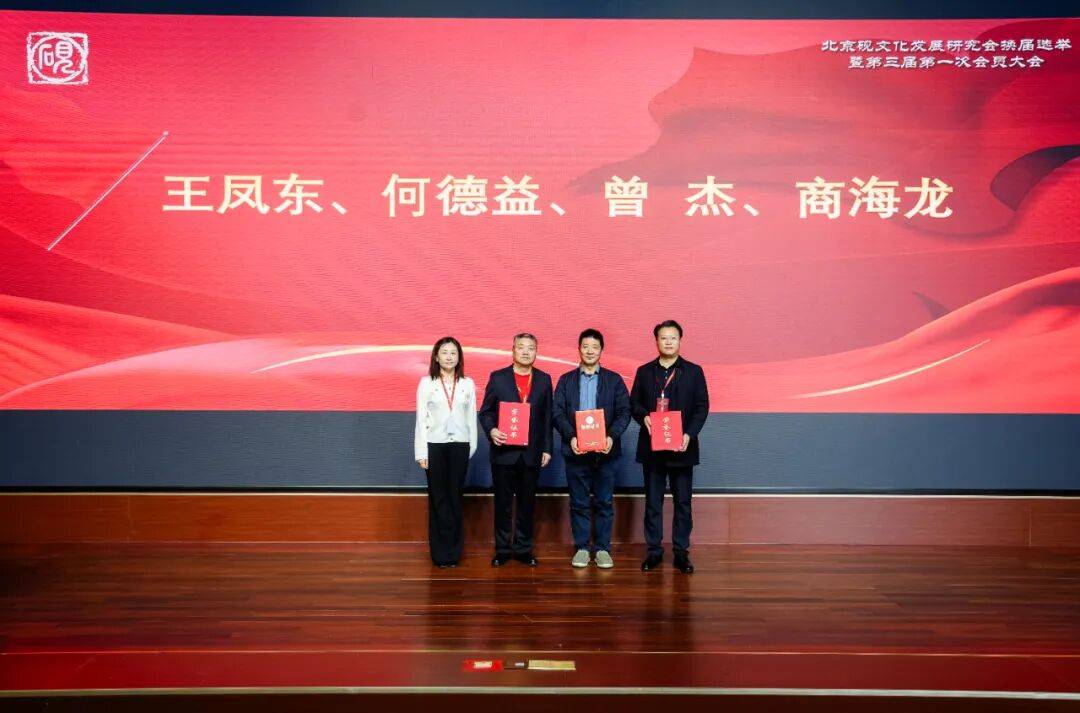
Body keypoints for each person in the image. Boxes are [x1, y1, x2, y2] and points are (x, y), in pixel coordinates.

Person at [629, 320, 709, 574]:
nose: (668, 342)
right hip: (653, 449)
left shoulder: (694, 371)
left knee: (683, 503)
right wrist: (644, 417)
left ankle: (681, 552)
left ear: (680, 341)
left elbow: (701, 407)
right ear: (656, 341)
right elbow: (634, 403)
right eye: (663, 338)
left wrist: (689, 434)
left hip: (682, 448)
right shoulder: (644, 372)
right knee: (653, 503)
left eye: (673, 338)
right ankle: (653, 552)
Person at [553, 328, 631, 569]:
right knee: (578, 502)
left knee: (604, 502)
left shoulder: (614, 380)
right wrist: (571, 437)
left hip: (606, 453)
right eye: (585, 346)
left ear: (601, 350)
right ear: (579, 349)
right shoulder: (566, 380)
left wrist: (611, 437)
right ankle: (582, 548)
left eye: (595, 347)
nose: (590, 351)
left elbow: (624, 412)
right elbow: (557, 413)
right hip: (575, 451)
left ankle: (603, 549)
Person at [478, 333, 553, 567]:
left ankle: (523, 549)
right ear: (513, 350)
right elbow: (486, 412)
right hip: (504, 452)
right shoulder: (498, 378)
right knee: (503, 504)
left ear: (536, 352)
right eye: (521, 347)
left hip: (531, 453)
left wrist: (547, 448)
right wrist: (492, 431)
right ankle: (502, 549)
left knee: (526, 504)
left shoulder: (544, 380)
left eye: (531, 348)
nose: (526, 352)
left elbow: (547, 417)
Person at [414, 337, 477, 568]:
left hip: (460, 446)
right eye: (444, 352)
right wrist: (422, 452)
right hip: (435, 446)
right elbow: (421, 419)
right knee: (438, 499)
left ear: (459, 357)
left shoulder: (467, 384)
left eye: (453, 353)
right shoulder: (426, 383)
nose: (449, 357)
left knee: (455, 498)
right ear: (436, 357)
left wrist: (471, 447)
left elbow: (471, 417)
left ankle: (454, 552)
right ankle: (440, 553)